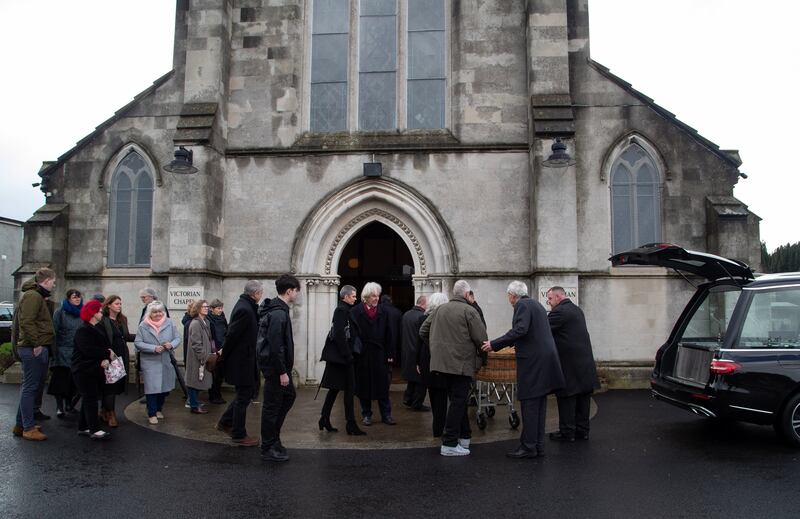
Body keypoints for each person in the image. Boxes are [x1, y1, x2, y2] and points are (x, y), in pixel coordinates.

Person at [482, 281, 564, 459]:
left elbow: (520, 329)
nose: (509, 299)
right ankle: (538, 445)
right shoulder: (536, 304)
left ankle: (528, 447)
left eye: (508, 295)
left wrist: (494, 344)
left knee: (530, 404)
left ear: (512, 295)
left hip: (533, 362)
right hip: (545, 360)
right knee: (539, 404)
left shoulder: (522, 305)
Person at [420, 280, 487, 456]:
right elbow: (481, 339)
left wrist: (436, 349)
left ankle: (464, 437)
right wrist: (483, 360)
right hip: (461, 364)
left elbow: (423, 331)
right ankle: (449, 443)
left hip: (442, 364)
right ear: (466, 294)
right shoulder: (469, 311)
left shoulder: (440, 309)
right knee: (458, 401)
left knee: (458, 401)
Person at [546, 287, 600, 442]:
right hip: (584, 364)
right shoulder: (577, 310)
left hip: (569, 366)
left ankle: (567, 433)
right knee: (583, 398)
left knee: (567, 399)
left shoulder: (559, 312)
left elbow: (543, 330)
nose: (549, 303)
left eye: (550, 299)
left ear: (558, 296)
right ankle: (583, 431)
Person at [259, 275, 301, 462]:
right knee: (271, 407)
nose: (297, 294)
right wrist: (283, 371)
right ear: (289, 290)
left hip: (278, 369)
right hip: (276, 370)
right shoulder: (278, 313)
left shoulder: (280, 310)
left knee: (287, 397)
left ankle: (273, 438)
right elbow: (276, 346)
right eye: (296, 291)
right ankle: (268, 446)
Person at [11, 268, 56, 441]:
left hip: (34, 347)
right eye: (53, 282)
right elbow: (26, 321)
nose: (53, 285)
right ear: (46, 281)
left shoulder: (35, 295)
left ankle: (21, 424)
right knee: (29, 388)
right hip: (32, 349)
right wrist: (36, 343)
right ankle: (28, 428)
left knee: (29, 387)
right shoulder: (33, 296)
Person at [217, 280, 263, 446]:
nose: (261, 295)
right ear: (255, 293)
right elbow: (232, 335)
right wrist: (223, 356)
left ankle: (225, 422)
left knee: (244, 396)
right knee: (243, 397)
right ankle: (238, 434)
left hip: (246, 360)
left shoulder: (248, 306)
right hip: (241, 362)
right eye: (260, 292)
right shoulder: (244, 309)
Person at [318, 285, 366, 436]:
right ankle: (350, 425)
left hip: (342, 358)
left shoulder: (345, 309)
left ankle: (324, 418)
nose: (355, 298)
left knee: (334, 389)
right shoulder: (341, 310)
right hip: (343, 359)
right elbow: (339, 334)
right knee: (349, 390)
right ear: (345, 296)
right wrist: (348, 355)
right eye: (353, 296)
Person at [351, 282, 396, 426]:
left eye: (378, 295)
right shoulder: (356, 311)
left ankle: (386, 415)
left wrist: (390, 353)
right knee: (364, 386)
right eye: (373, 296)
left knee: (383, 386)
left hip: (380, 354)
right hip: (363, 354)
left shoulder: (384, 311)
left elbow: (390, 334)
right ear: (366, 297)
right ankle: (366, 415)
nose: (376, 298)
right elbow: (353, 335)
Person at [71, 299, 113, 440]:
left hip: (91, 369)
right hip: (83, 370)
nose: (102, 314)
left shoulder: (94, 328)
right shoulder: (83, 329)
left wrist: (105, 357)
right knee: (90, 399)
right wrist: (107, 354)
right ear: (93, 313)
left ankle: (83, 427)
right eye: (100, 311)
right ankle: (94, 430)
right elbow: (88, 350)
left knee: (88, 397)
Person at [134, 301, 180, 425]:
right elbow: (138, 343)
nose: (158, 314)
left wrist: (171, 344)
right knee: (152, 389)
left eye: (160, 311)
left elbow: (177, 338)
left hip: (166, 360)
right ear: (150, 313)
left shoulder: (169, 323)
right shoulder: (143, 325)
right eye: (155, 312)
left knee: (164, 389)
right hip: (150, 361)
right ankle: (152, 413)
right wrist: (153, 348)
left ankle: (159, 409)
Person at [416, 292, 449, 437]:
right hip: (439, 359)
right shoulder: (445, 319)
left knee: (433, 393)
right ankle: (440, 427)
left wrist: (417, 361)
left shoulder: (422, 318)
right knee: (441, 395)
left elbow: (418, 342)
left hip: (426, 359)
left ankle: (437, 428)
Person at [99, 295, 134, 427]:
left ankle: (103, 410)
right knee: (110, 386)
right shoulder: (103, 320)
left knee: (116, 385)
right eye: (116, 303)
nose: (119, 306)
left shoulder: (122, 319)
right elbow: (101, 338)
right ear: (109, 305)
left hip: (122, 355)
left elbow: (126, 336)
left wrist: (143, 337)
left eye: (120, 303)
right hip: (110, 356)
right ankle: (111, 414)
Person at [49, 289, 82, 418]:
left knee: (73, 382)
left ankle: (69, 404)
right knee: (60, 382)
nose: (77, 299)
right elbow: (54, 332)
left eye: (79, 297)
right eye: (74, 297)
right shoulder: (60, 312)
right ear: (68, 298)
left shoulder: (82, 312)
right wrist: (54, 351)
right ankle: (59, 407)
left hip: (76, 352)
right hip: (62, 352)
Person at [401, 295, 429, 411]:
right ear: (423, 304)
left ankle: (408, 398)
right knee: (421, 380)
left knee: (412, 379)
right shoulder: (422, 316)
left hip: (407, 350)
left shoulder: (406, 314)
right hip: (417, 351)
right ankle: (417, 403)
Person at [186, 299, 214, 415]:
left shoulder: (205, 321)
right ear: (198, 309)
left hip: (203, 357)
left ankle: (195, 402)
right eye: (204, 307)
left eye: (207, 306)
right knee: (194, 382)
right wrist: (204, 357)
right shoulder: (196, 323)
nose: (207, 308)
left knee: (198, 381)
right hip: (197, 359)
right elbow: (196, 343)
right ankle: (194, 405)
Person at [207, 299, 228, 404]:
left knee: (220, 375)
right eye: (218, 308)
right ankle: (213, 396)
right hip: (215, 351)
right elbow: (210, 337)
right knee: (214, 375)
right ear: (212, 309)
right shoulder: (209, 320)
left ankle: (218, 394)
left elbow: (226, 333)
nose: (220, 310)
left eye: (221, 308)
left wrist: (224, 347)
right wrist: (216, 350)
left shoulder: (222, 318)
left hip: (223, 349)